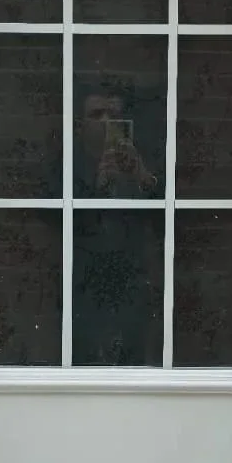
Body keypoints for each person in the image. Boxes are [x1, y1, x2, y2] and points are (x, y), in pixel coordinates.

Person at [71, 81, 164, 365]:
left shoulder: (146, 159)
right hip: (81, 284)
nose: (106, 122)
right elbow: (57, 223)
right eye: (97, 115)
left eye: (113, 115)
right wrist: (98, 187)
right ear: (79, 125)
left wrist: (143, 177)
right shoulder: (67, 165)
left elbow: (168, 222)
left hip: (135, 281)